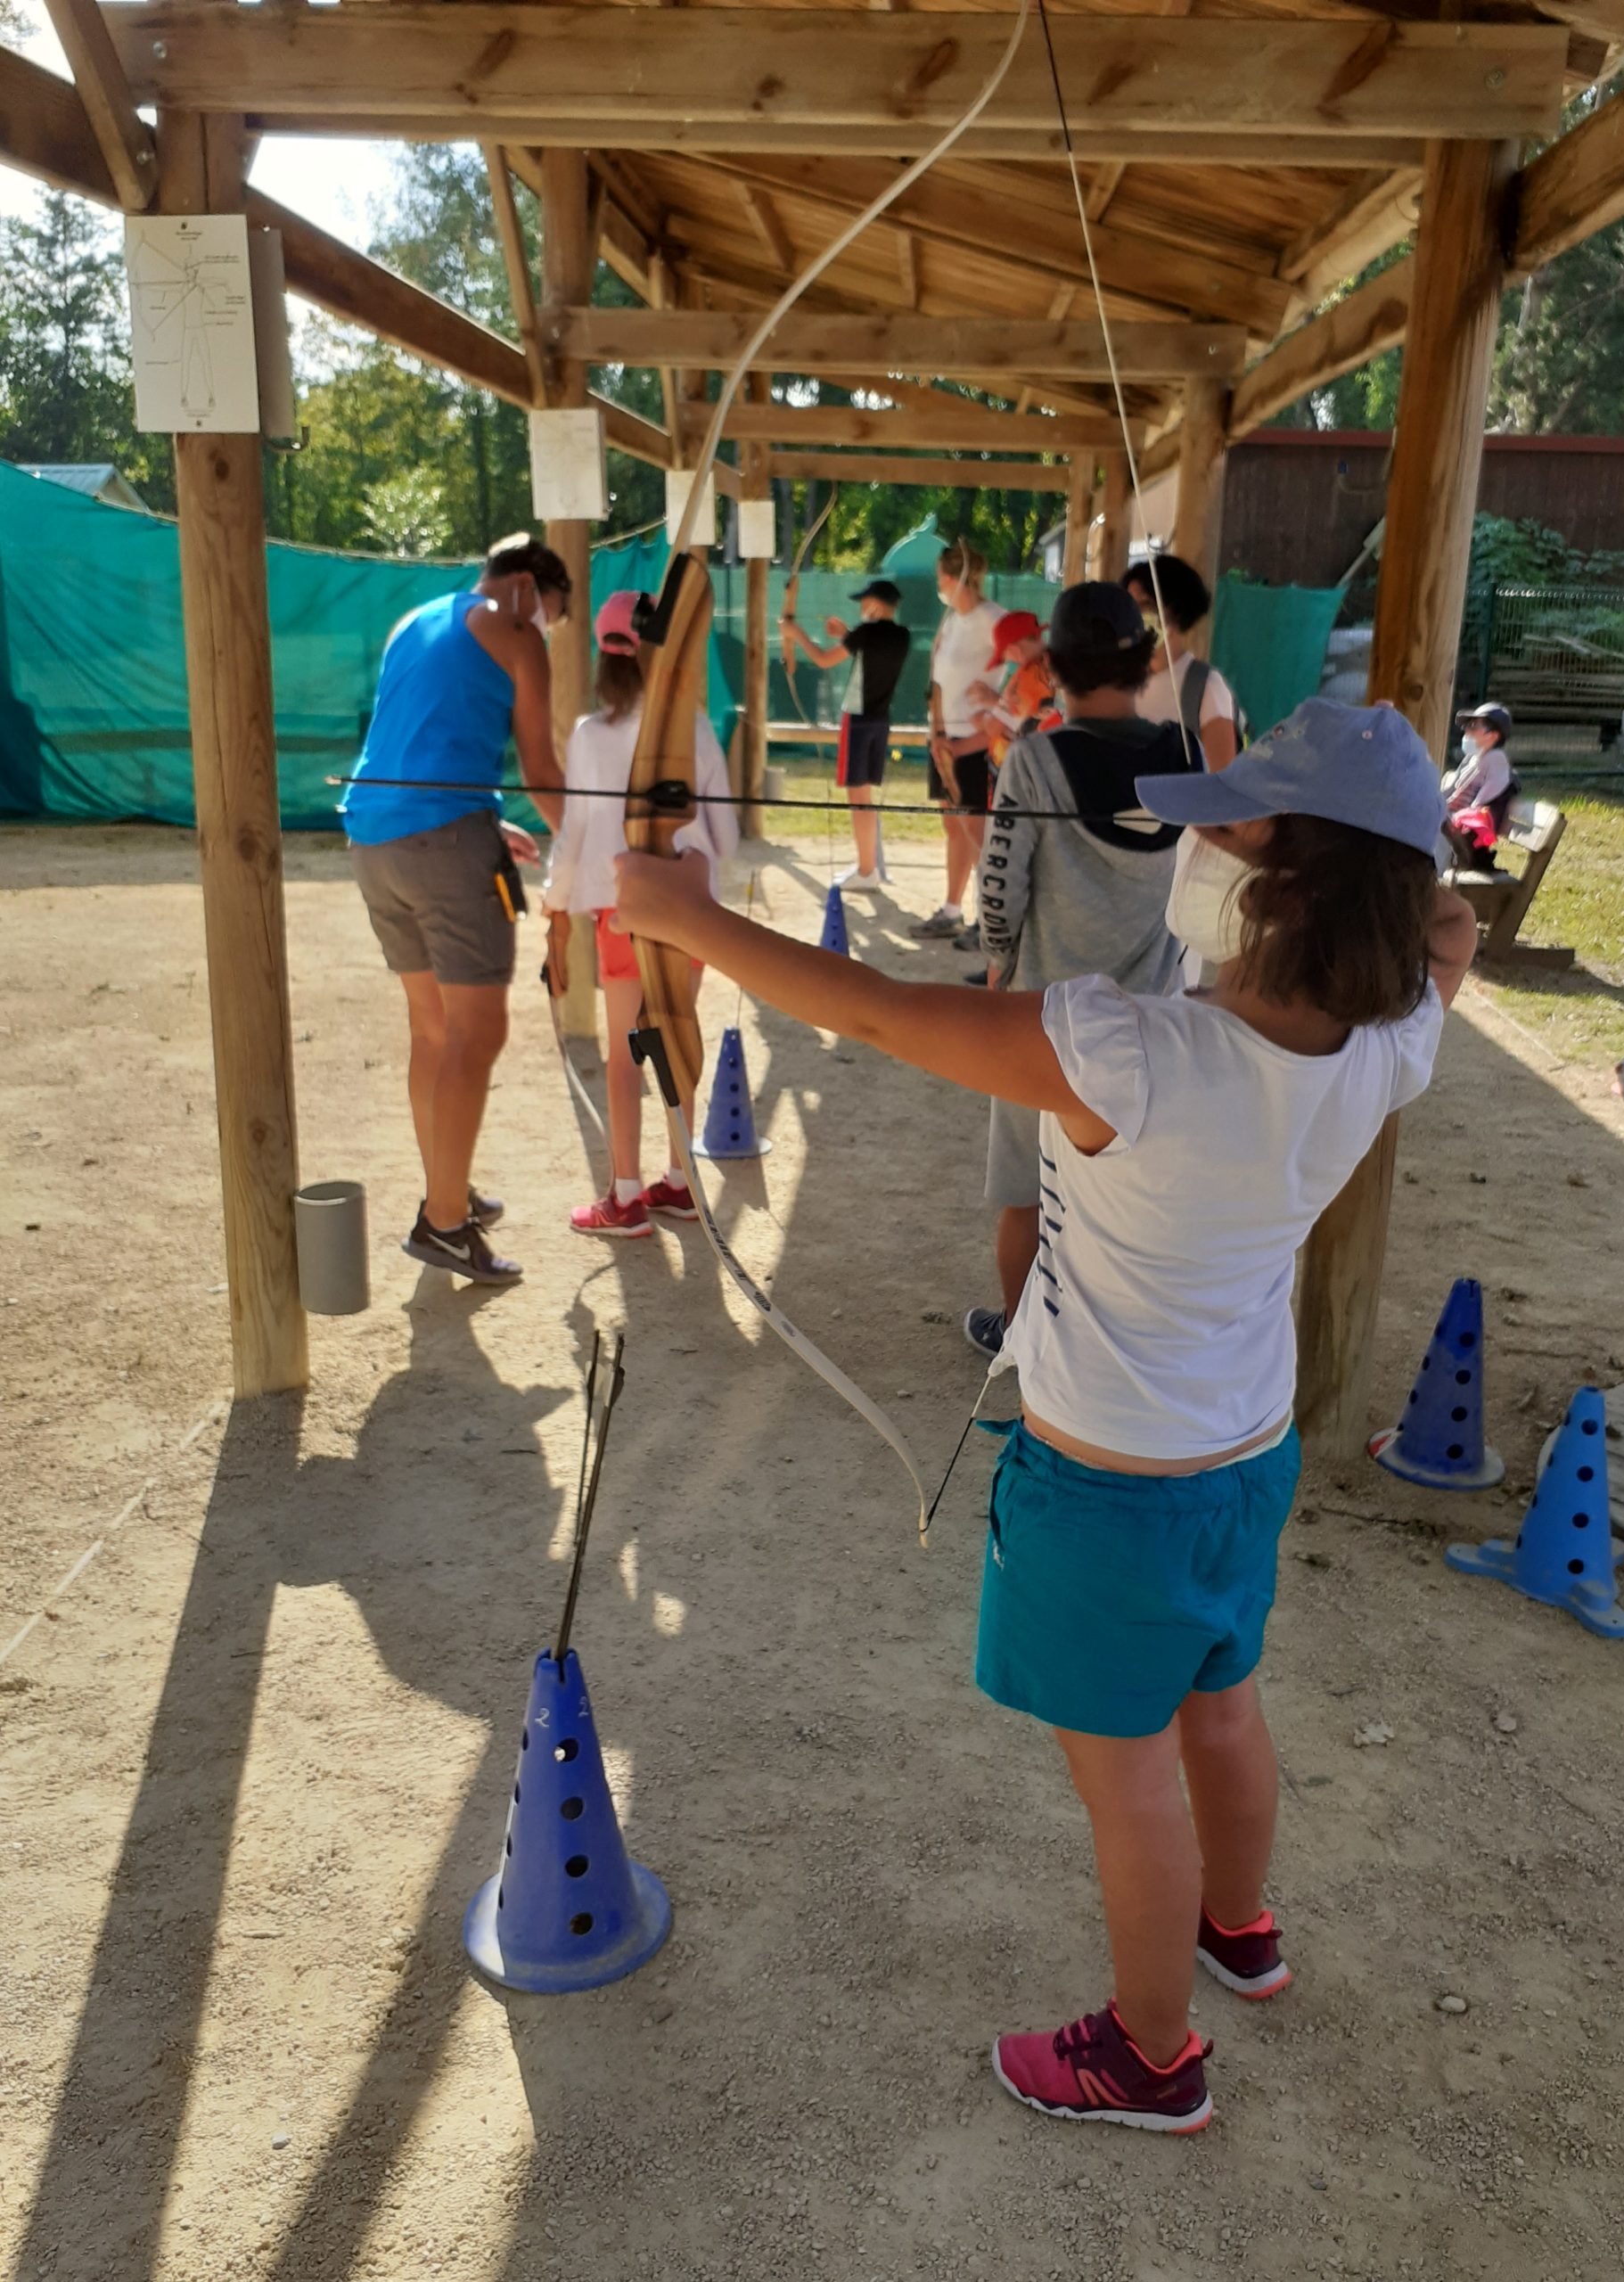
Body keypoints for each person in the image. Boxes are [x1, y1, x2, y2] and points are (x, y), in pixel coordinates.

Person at [611, 698, 1476, 2132]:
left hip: (1106, 1499)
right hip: (1243, 1468)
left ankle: (1150, 2055)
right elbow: (1443, 938)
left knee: (1128, 1783)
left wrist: (682, 912)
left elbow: (876, 1011)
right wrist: (1384, 855)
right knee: (1225, 1706)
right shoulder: (1387, 1044)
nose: (1194, 842)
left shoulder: (1126, 1052)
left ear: (1287, 881)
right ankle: (1239, 1928)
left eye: (1231, 826)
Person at [964, 582, 1201, 1359]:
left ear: (1055, 667)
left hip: (1042, 1024)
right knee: (1130, 1193)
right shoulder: (1185, 755)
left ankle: (1022, 1340)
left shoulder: (1035, 758)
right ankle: (1115, 1341)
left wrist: (999, 963)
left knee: (1025, 1196)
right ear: (1139, 663)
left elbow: (999, 893)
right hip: (1155, 1026)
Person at [343, 531, 570, 1287]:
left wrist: (487, 817)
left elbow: (418, 745)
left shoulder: (414, 621)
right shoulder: (514, 630)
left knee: (432, 1028)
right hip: (443, 843)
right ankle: (443, 1223)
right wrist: (594, 853)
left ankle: (447, 1187)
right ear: (532, 589)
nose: (546, 635)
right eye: (552, 618)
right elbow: (543, 772)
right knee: (477, 1033)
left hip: (374, 839)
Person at [543, 589, 739, 1238]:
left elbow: (573, 831)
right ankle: (680, 1183)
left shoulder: (590, 735)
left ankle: (626, 1197)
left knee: (627, 1056)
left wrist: (554, 906)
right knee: (678, 1035)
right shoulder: (696, 726)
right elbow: (725, 831)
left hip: (625, 913)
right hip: (690, 910)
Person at [778, 577, 910, 891]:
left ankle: (867, 870)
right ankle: (868, 866)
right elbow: (873, 648)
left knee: (858, 798)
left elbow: (824, 660)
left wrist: (797, 634)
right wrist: (848, 635)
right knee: (864, 797)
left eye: (865, 603)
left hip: (858, 720)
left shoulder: (866, 634)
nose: (862, 609)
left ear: (876, 605)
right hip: (880, 721)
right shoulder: (901, 636)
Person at [915, 542, 1005, 942]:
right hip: (943, 734)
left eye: (940, 578)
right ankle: (952, 909)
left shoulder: (991, 617)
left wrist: (1000, 702)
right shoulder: (952, 620)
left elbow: (1028, 653)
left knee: (977, 830)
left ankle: (987, 918)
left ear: (951, 579)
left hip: (972, 738)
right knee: (954, 827)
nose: (939, 585)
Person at [1124, 555, 1240, 771]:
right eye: (1130, 606)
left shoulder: (1205, 686)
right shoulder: (1118, 681)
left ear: (1176, 610)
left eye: (1146, 605)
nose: (1136, 615)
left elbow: (1222, 777)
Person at [966, 608, 1058, 785]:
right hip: (1040, 766)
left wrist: (982, 719)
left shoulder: (1028, 675)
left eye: (1006, 655)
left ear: (1015, 650)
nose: (1010, 660)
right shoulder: (1052, 666)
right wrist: (995, 701)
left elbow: (995, 726)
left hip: (1019, 774)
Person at [1442, 701, 1516, 867]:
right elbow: (1451, 790)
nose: (1467, 731)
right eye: (1468, 725)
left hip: (1462, 840)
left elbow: (1480, 803)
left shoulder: (1496, 760)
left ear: (1493, 736)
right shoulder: (1473, 759)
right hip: (1451, 826)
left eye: (1475, 726)